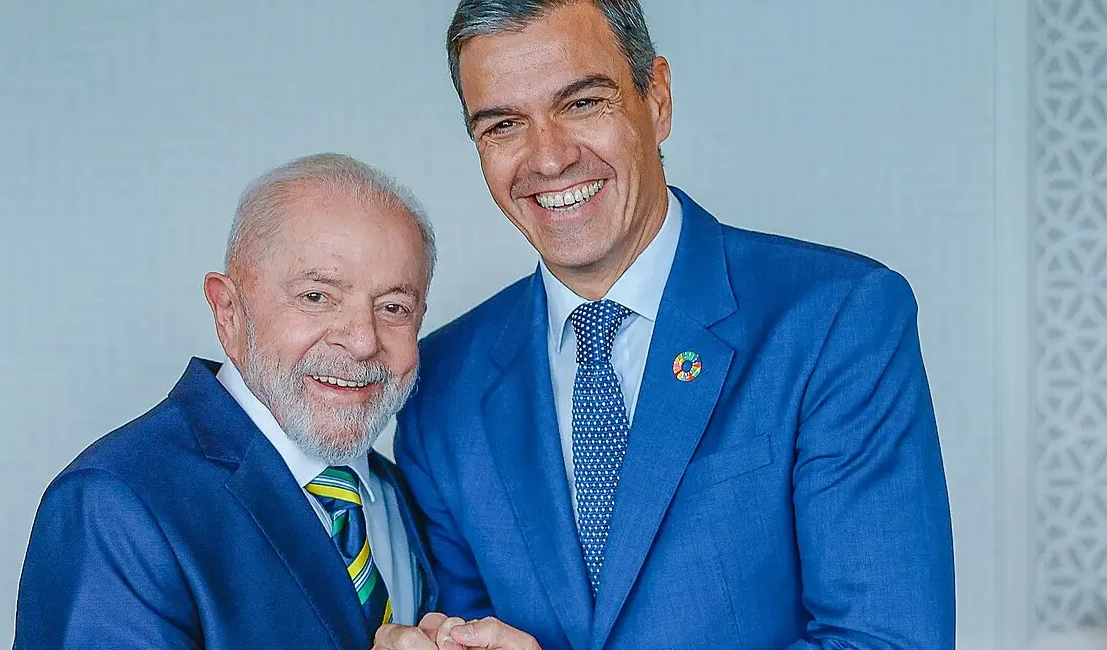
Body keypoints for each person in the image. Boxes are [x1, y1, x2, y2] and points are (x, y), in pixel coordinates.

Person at [377, 1, 954, 649]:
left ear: (657, 100)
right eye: (504, 124)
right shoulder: (442, 389)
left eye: (582, 103)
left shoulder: (835, 320)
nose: (549, 159)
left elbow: (886, 640)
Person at [14, 153, 440, 649]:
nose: (363, 340)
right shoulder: (114, 503)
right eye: (316, 297)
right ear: (228, 310)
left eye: (394, 307)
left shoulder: (400, 494)